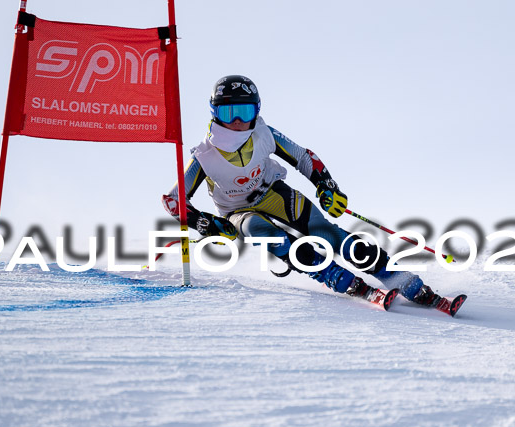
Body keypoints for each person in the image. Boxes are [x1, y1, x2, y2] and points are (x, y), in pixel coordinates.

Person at [162, 75, 445, 308]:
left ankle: (401, 279)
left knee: (326, 231)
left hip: (272, 192)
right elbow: (174, 201)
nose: (237, 120)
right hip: (238, 211)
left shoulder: (264, 132)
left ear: (256, 111)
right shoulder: (204, 155)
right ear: (215, 113)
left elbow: (303, 157)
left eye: (244, 111)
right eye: (228, 112)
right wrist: (206, 223)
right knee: (269, 235)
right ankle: (343, 280)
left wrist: (326, 184)